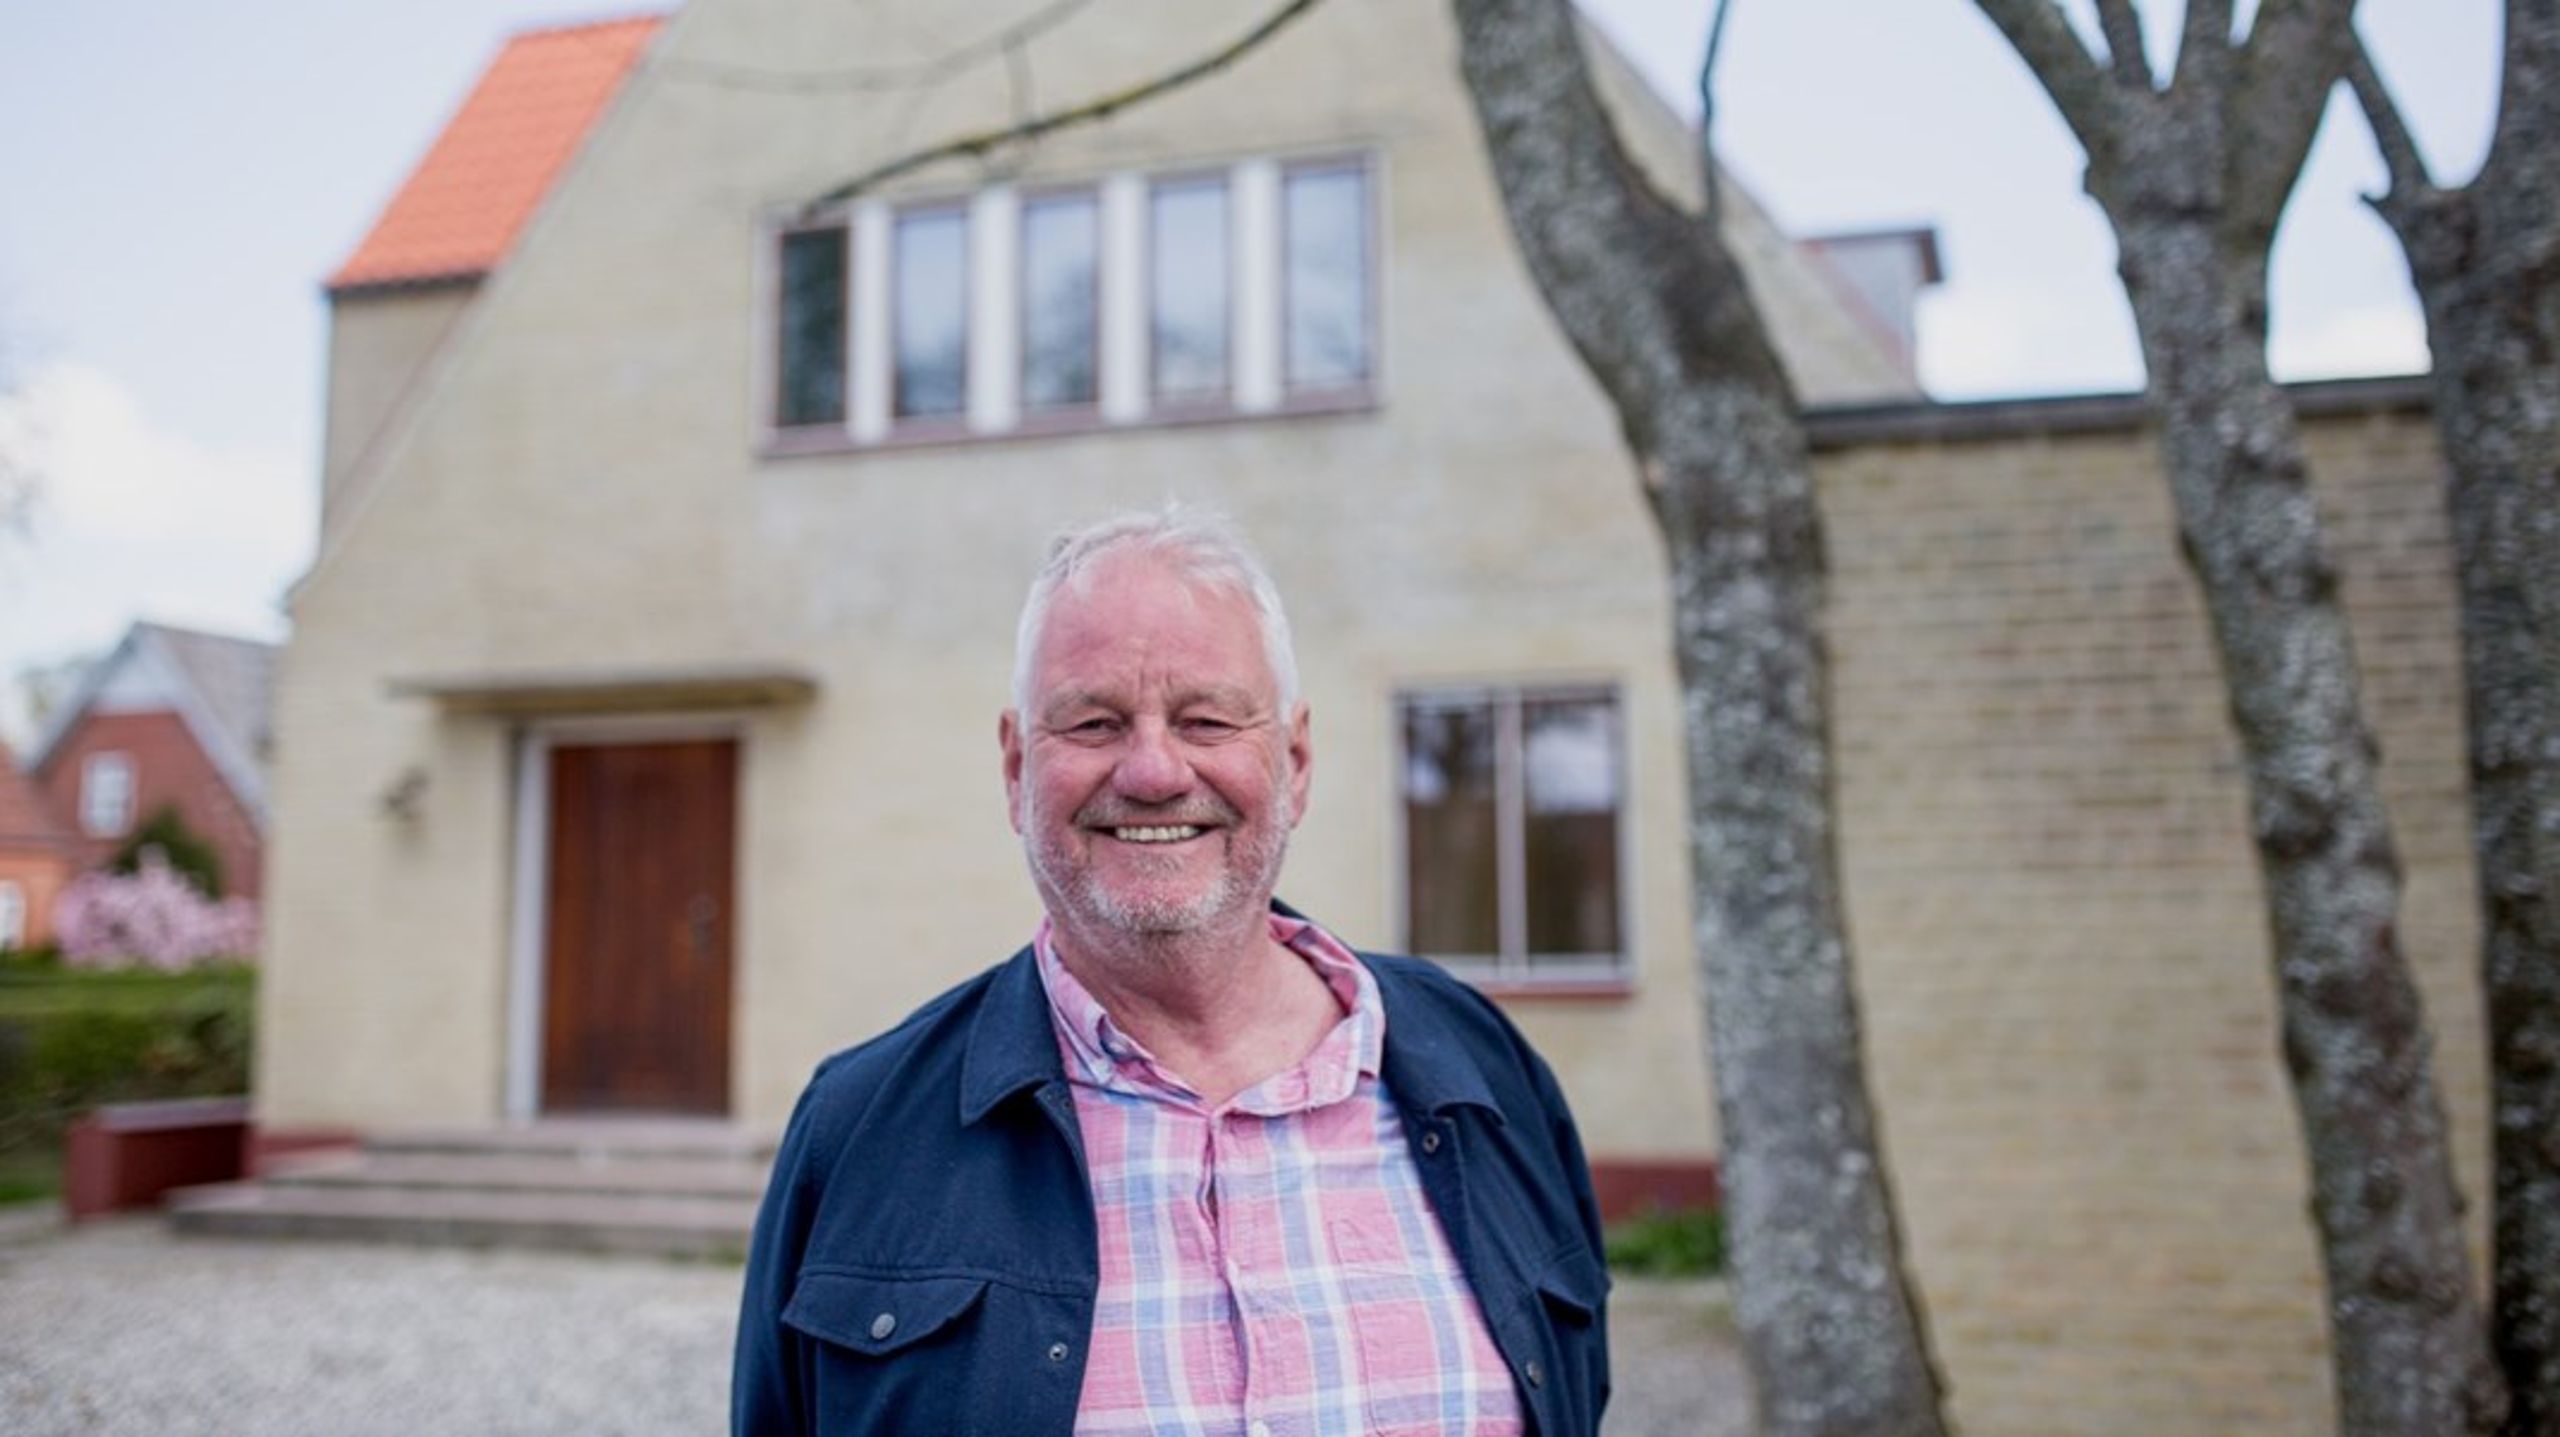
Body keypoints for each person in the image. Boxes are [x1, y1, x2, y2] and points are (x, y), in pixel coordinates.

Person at [733, 507, 1609, 1435]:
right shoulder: (860, 1130)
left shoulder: (1485, 1072)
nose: (1152, 770)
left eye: (1206, 718)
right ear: (1016, 766)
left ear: (1296, 761)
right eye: (1095, 721)